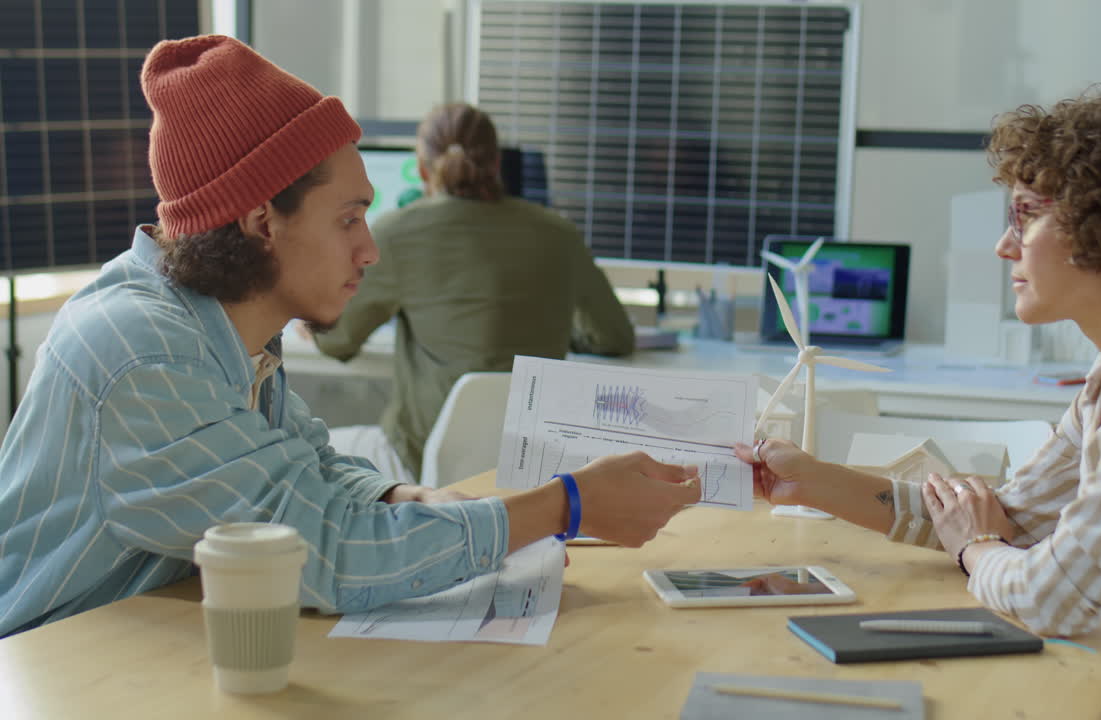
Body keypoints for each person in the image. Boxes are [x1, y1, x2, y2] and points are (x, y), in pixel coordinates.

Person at [0, 35, 699, 639]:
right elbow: (323, 552)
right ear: (262, 222)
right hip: (55, 664)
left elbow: (310, 471)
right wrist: (567, 504)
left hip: (146, 647)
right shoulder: (143, 351)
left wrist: (402, 498)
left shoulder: (222, 323)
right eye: (349, 219)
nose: (370, 250)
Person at [736, 87, 1101, 719]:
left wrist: (977, 549)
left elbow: (1052, 595)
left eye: (1025, 215)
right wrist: (813, 481)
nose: (1004, 245)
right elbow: (1006, 519)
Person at [312, 103, 635, 484]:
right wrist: (559, 327)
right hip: (529, 472)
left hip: (422, 468)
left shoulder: (397, 233)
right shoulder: (558, 233)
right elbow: (616, 337)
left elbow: (338, 342)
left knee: (308, 455)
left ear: (421, 169)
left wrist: (309, 319)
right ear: (496, 164)